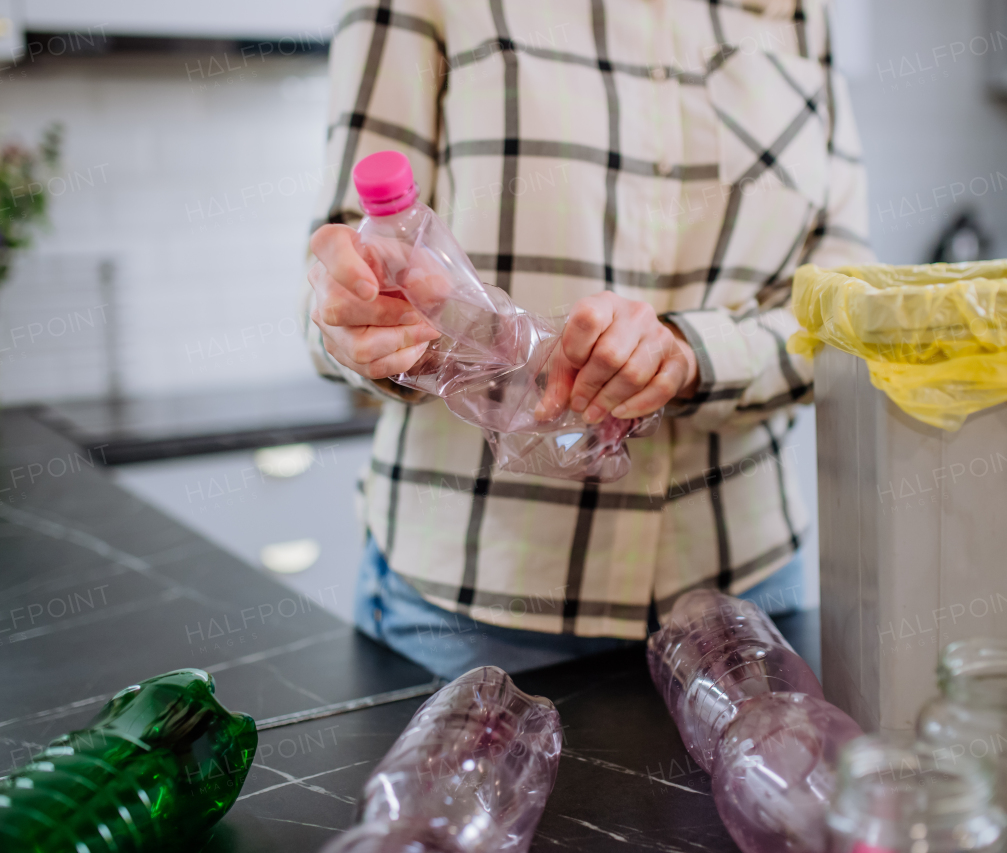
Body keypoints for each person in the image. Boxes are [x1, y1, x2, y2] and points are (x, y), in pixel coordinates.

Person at [305, 0, 872, 679]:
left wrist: (691, 355)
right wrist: (357, 317)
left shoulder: (800, 11)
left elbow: (847, 313)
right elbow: (341, 270)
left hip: (745, 591)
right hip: (476, 613)